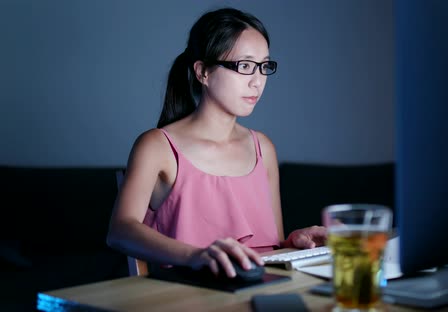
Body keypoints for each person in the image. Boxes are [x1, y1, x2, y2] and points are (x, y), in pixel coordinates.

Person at [106, 7, 327, 279]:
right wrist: (196, 255)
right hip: (189, 296)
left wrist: (293, 243)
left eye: (264, 66)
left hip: (261, 290)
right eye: (244, 66)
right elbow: (120, 230)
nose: (257, 82)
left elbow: (272, 247)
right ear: (203, 72)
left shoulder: (263, 148)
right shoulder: (157, 146)